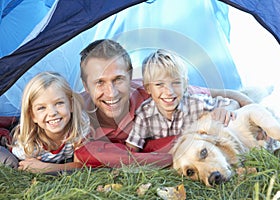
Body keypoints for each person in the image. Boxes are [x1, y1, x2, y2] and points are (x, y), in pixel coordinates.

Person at [75, 39, 253, 167]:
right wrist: (47, 168)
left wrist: (232, 106)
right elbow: (73, 157)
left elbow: (227, 95)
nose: (111, 92)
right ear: (86, 85)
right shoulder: (75, 113)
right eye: (99, 82)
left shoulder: (152, 92)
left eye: (118, 79)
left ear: (130, 76)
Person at [125, 49, 240, 151]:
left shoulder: (196, 104)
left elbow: (233, 103)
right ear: (148, 88)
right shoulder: (145, 115)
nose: (169, 91)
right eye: (159, 84)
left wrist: (226, 109)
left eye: (176, 83)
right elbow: (132, 148)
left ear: (185, 84)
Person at [0, 72, 90, 173]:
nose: (52, 113)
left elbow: (81, 165)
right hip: (14, 139)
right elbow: (25, 166)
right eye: (41, 108)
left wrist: (44, 167)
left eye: (59, 103)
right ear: (32, 116)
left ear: (71, 105)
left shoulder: (79, 126)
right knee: (8, 160)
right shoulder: (27, 146)